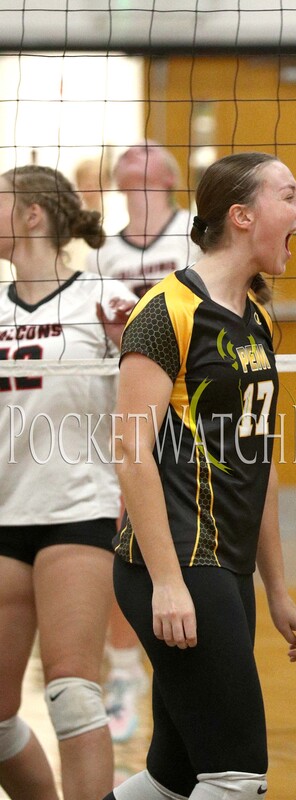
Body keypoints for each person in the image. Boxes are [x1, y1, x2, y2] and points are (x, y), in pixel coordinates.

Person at [101, 151, 296, 800]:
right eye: (289, 196)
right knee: (237, 775)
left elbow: (261, 460)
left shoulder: (256, 319)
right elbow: (130, 449)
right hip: (174, 562)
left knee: (175, 774)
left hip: (225, 565)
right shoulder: (167, 310)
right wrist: (168, 583)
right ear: (243, 216)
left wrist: (276, 588)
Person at [0, 164, 136, 800]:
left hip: (78, 510)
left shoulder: (104, 301)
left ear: (32, 216)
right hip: (5, 513)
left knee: (74, 693)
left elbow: (153, 405)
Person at [85, 140, 201, 743]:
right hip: (126, 414)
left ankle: (184, 672)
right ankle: (124, 669)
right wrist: (114, 332)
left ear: (170, 176)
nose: (141, 150)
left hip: (191, 418)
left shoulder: (192, 234)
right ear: (120, 177)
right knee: (123, 542)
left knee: (187, 548)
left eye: (153, 150)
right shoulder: (101, 252)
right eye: (132, 151)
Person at [86, 140, 200, 299]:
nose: (132, 154)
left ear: (170, 177)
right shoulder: (101, 253)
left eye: (146, 151)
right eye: (125, 155)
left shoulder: (196, 230)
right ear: (118, 182)